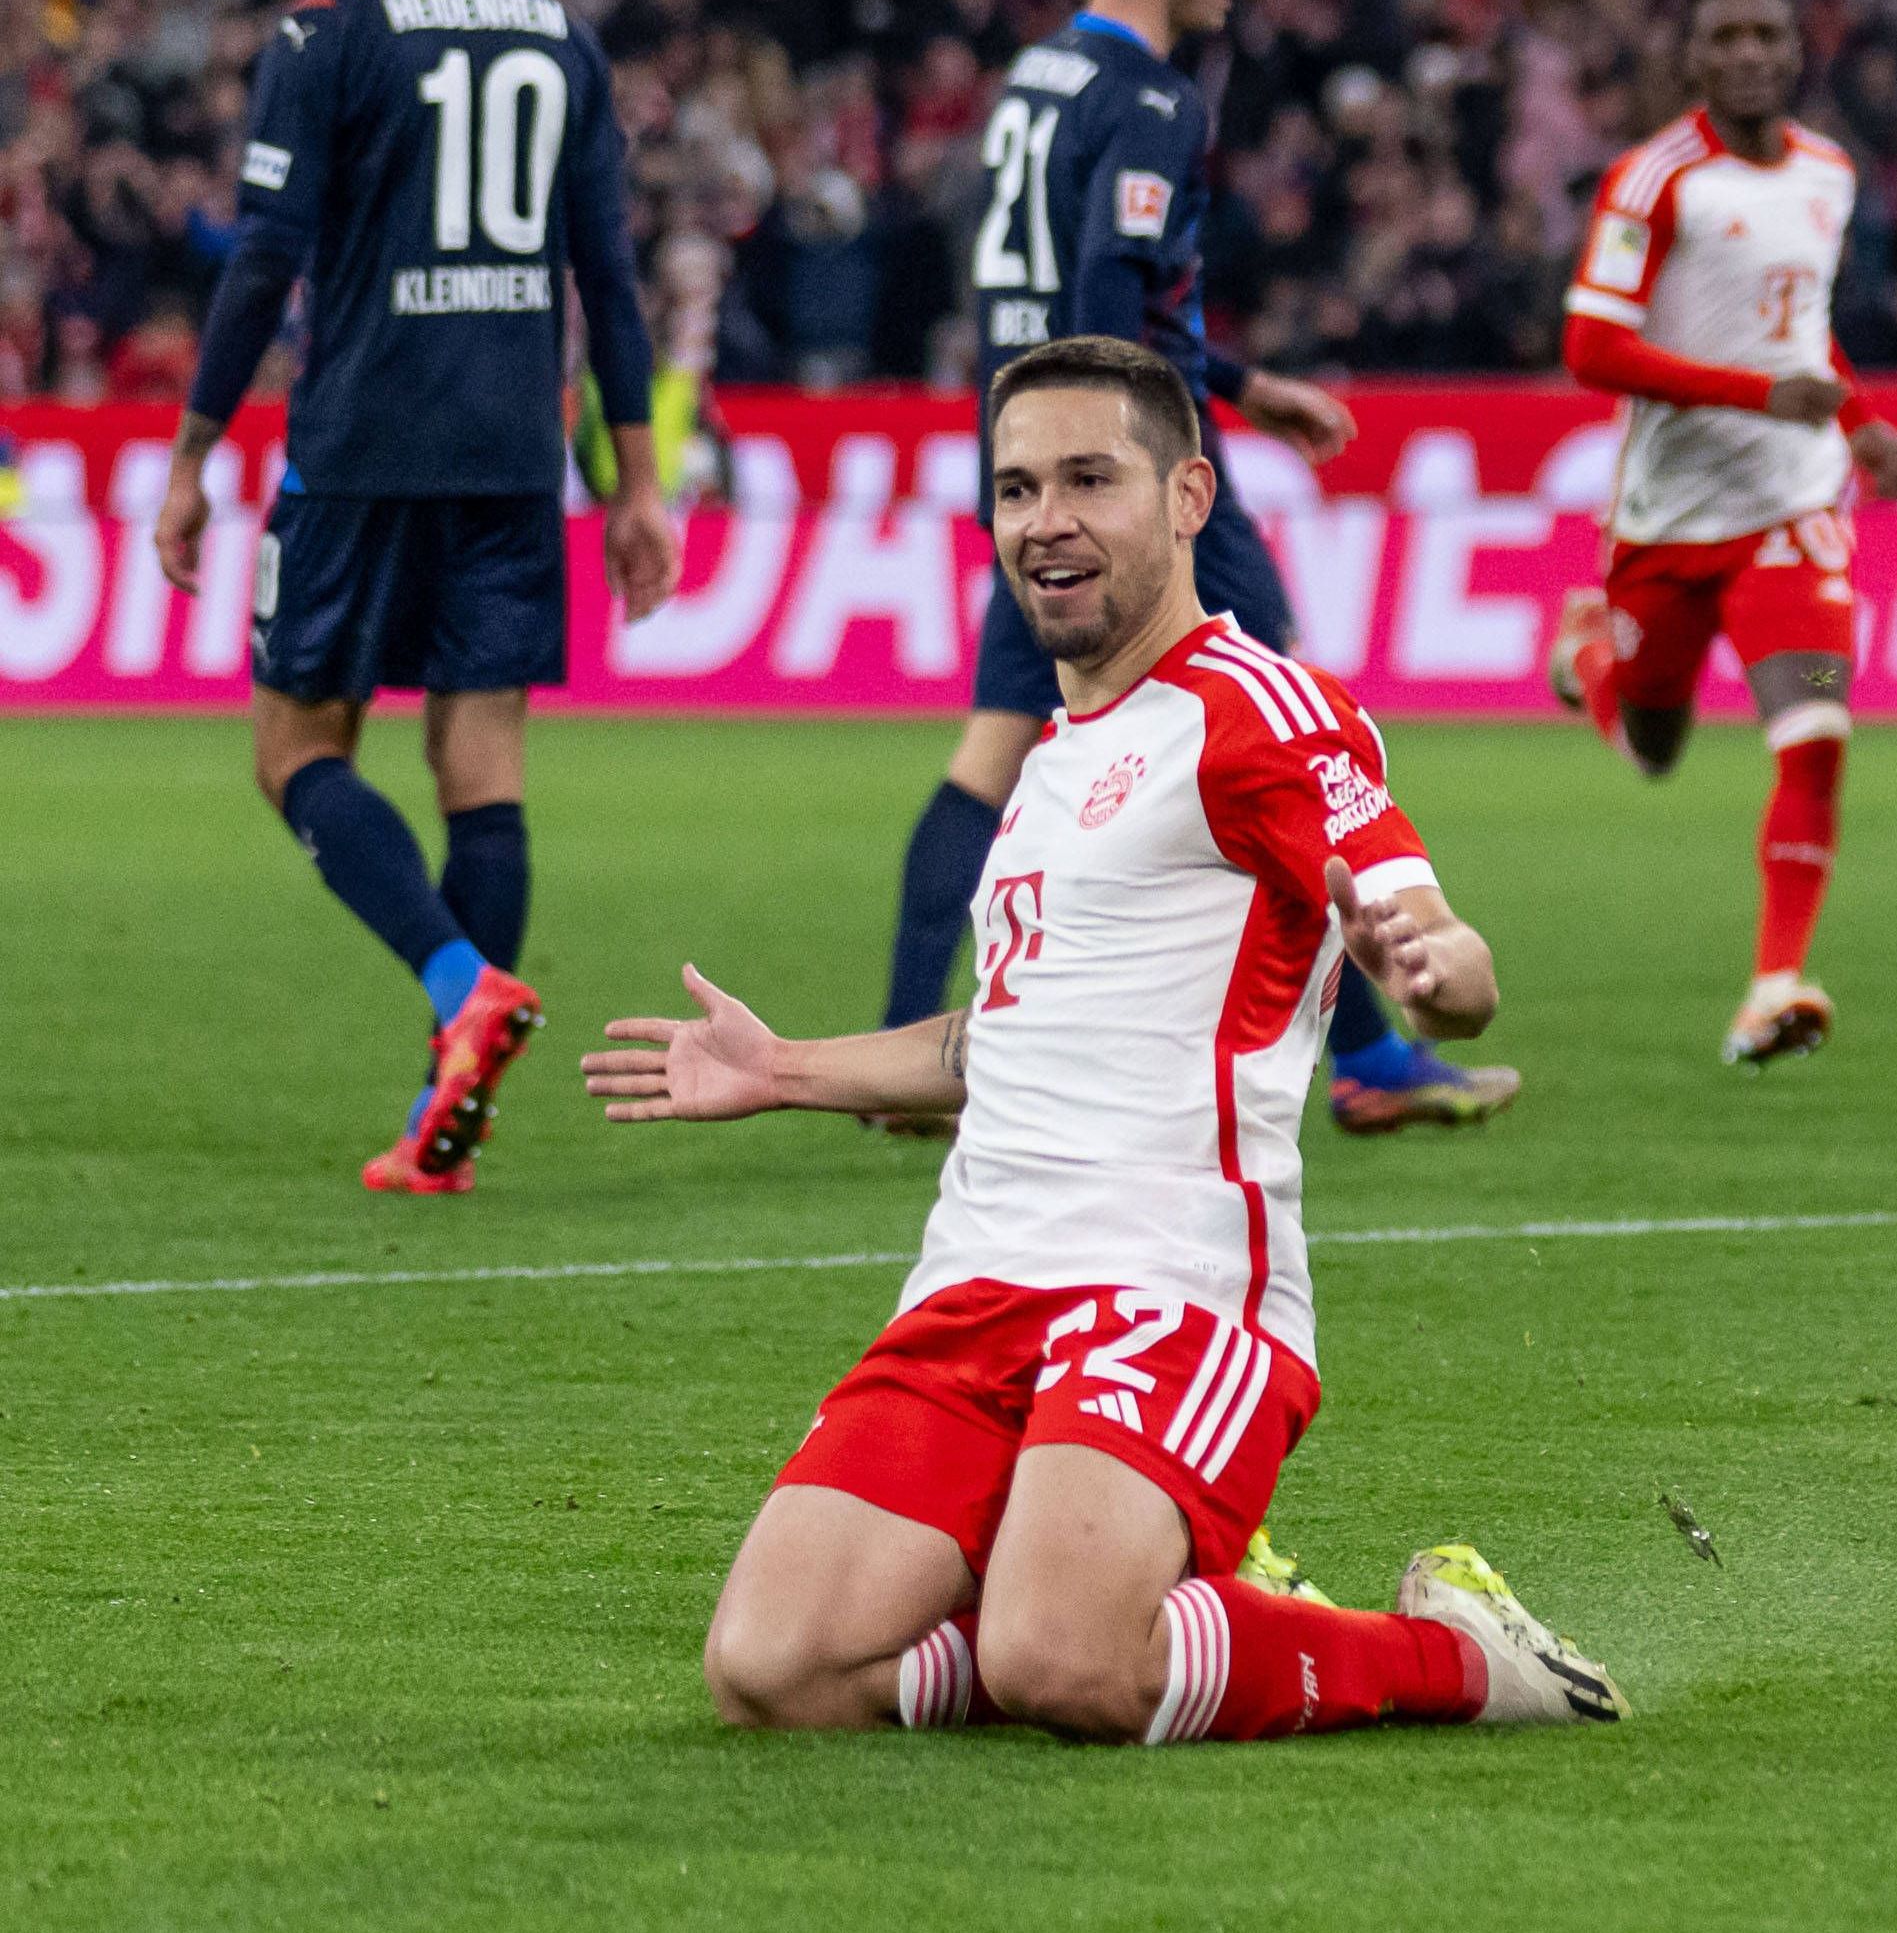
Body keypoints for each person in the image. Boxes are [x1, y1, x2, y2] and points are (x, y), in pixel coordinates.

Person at [589, 337, 1623, 1742]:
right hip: (976, 1281)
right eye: (1016, 487)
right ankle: (1144, 1587)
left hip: (1172, 1286)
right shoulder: (1057, 759)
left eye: (1090, 477)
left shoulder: (1258, 706)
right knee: (772, 1669)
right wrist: (786, 1071)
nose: (1045, 519)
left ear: (1189, 495)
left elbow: (1432, 935)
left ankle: (1450, 1651)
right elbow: (1007, 1036)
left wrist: (1433, 968)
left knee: (1062, 1658)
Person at [872, 0, 1502, 1136]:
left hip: (1028, 459)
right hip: (1138, 482)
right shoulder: (1152, 100)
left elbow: (1049, 279)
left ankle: (902, 1057)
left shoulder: (1031, 81)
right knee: (1302, 744)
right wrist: (1146, 453)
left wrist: (1241, 382)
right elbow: (1110, 294)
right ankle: (1375, 1054)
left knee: (992, 750)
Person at [151, 0, 680, 1196]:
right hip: (514, 446)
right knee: (482, 768)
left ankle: (461, 983)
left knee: (295, 752)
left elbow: (266, 260)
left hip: (365, 437)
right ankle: (444, 1103)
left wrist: (193, 454)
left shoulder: (328, 33)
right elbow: (610, 279)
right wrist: (635, 481)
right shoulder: (559, 33)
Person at [1548, 0, 1897, 1065]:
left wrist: (1858, 422)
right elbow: (1592, 349)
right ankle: (1591, 654)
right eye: (1728, 37)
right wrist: (1764, 394)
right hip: (1668, 521)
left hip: (1792, 511)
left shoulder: (1830, 173)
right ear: (1696, 59)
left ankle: (1772, 986)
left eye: (1770, 32)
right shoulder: (1654, 181)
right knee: (1654, 744)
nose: (1752, 52)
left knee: (1815, 734)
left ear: (1798, 50)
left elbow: (1802, 333)